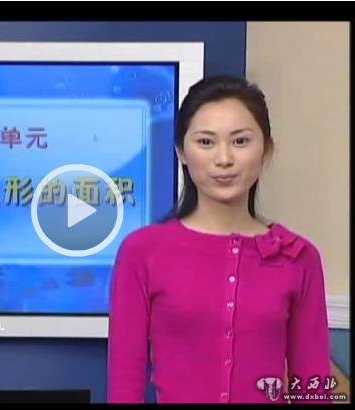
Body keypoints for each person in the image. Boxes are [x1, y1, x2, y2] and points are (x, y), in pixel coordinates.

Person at [107, 75, 332, 403]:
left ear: (266, 150)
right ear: (181, 152)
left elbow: (313, 385)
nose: (224, 159)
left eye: (240, 141)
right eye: (206, 142)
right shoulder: (142, 252)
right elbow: (125, 383)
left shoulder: (299, 257)